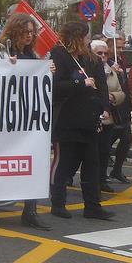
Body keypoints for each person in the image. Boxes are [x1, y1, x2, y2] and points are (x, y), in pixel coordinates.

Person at [0, 13, 53, 230]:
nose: (29, 36)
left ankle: (30, 211)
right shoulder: (0, 52)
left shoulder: (31, 54)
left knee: (34, 162)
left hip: (28, 120)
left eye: (32, 32)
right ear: (15, 30)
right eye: (25, 31)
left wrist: (47, 72)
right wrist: (7, 68)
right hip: (5, 119)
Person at [50, 22, 115, 221]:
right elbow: (55, 85)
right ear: (77, 37)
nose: (88, 41)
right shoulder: (59, 55)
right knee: (64, 163)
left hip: (88, 119)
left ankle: (93, 206)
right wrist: (79, 83)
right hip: (67, 119)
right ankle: (58, 203)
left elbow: (101, 85)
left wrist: (105, 107)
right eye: (85, 37)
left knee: (92, 163)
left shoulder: (91, 59)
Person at [91, 40, 129, 194]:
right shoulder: (88, 69)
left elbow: (121, 92)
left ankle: (101, 180)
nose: (103, 56)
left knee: (105, 151)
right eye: (99, 53)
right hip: (93, 117)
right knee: (90, 154)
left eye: (105, 53)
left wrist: (112, 97)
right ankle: (73, 177)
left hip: (109, 118)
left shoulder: (112, 71)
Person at [104, 36, 132, 184]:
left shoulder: (121, 61)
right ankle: (100, 174)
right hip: (110, 109)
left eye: (122, 47)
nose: (120, 50)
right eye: (118, 47)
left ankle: (117, 169)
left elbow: (124, 85)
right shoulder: (104, 62)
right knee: (106, 142)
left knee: (127, 138)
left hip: (122, 107)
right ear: (109, 47)